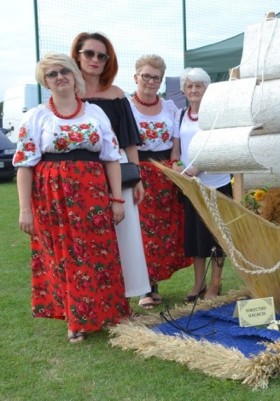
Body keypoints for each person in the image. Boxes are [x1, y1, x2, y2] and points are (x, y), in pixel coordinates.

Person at [13, 53, 130, 342]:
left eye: (63, 70)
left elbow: (112, 158)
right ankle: (75, 319)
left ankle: (109, 313)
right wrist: (24, 209)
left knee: (99, 251)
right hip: (53, 198)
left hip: (92, 195)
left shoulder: (95, 113)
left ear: (74, 75)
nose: (59, 77)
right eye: (51, 74)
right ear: (45, 81)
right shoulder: (35, 116)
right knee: (65, 255)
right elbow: (24, 165)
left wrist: (117, 199)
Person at [70, 32, 153, 309]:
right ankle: (90, 297)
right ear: (77, 55)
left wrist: (137, 177)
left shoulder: (117, 96)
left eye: (101, 55)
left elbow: (129, 140)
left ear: (109, 61)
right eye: (89, 53)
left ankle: (125, 297)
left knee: (125, 233)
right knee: (87, 236)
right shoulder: (66, 94)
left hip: (118, 171)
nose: (95, 59)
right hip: (79, 174)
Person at [129, 54, 192, 304]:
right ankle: (146, 287)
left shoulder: (169, 108)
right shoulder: (125, 106)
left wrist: (175, 166)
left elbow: (176, 143)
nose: (151, 81)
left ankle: (153, 283)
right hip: (137, 172)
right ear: (136, 77)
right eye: (146, 76)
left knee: (161, 232)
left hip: (164, 173)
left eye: (157, 77)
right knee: (141, 231)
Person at [172, 67, 232, 301]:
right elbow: (176, 148)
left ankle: (216, 284)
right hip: (190, 186)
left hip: (216, 184)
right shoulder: (179, 115)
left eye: (199, 85)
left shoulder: (216, 115)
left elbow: (219, 147)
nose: (194, 89)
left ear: (207, 90)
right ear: (184, 90)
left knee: (216, 236)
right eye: (190, 86)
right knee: (195, 237)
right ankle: (199, 283)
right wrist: (178, 166)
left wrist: (198, 168)